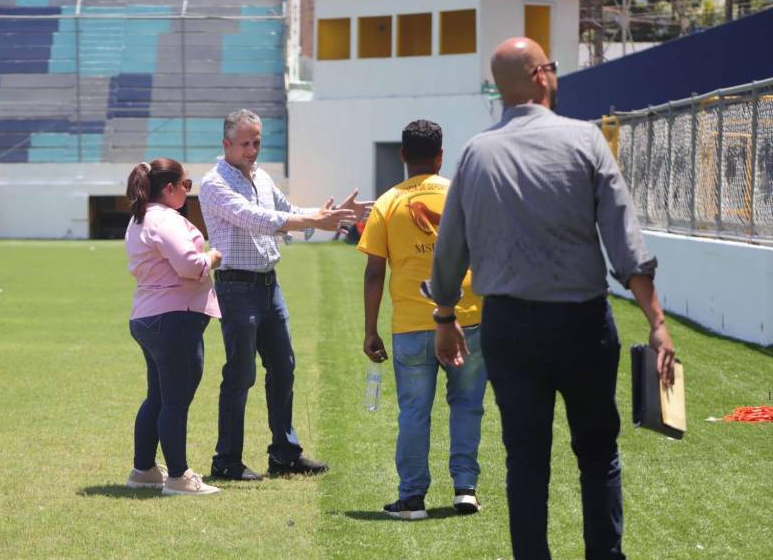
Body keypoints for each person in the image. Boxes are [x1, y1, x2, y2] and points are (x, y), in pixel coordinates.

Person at [427, 38, 677, 559]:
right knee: (597, 451)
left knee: (525, 458)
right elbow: (625, 241)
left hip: (510, 328)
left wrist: (445, 314)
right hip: (582, 324)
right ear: (541, 75)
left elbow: (450, 249)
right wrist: (655, 320)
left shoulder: (476, 153)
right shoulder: (584, 140)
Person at [199, 108, 370, 481]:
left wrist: (335, 214)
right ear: (226, 144)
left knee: (284, 367)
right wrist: (314, 220)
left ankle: (284, 454)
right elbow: (257, 219)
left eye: (256, 142)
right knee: (240, 374)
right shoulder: (214, 184)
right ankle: (226, 460)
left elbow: (287, 211)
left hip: (267, 285)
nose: (252, 149)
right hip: (236, 287)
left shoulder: (260, 177)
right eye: (244, 143)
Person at [358, 120, 487, 520]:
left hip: (411, 325)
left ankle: (412, 498)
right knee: (467, 405)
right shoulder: (460, 194)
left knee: (414, 411)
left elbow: (375, 272)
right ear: (440, 156)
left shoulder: (387, 202)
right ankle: (465, 490)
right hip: (467, 319)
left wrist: (370, 329)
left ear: (402, 155)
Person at [124, 158, 224, 496]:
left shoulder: (141, 217)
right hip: (174, 317)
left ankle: (144, 470)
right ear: (169, 188)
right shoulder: (165, 219)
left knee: (159, 397)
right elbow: (188, 265)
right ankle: (179, 477)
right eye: (186, 185)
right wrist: (211, 257)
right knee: (175, 401)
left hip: (150, 316)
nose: (187, 191)